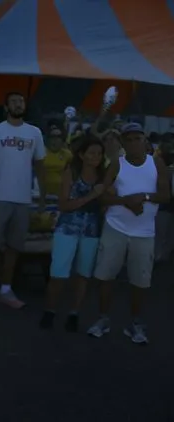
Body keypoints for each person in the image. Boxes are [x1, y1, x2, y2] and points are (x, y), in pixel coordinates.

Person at [86, 123, 170, 344]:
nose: (133, 143)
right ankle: (103, 319)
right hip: (115, 228)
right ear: (123, 143)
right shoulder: (116, 164)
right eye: (129, 139)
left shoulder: (156, 163)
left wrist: (143, 197)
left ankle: (135, 323)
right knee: (105, 276)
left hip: (144, 233)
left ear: (145, 141)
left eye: (137, 138)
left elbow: (165, 196)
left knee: (140, 281)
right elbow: (102, 197)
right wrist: (126, 201)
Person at [0, 92, 46, 310]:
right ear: (6, 107)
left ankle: (6, 289)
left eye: (21, 100)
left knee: (14, 248)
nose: (19, 104)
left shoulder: (34, 133)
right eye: (14, 101)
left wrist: (42, 196)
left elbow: (40, 166)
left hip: (23, 199)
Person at [39, 139, 106, 331]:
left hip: (91, 230)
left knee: (83, 274)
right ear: (82, 155)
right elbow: (64, 205)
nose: (96, 157)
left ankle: (74, 313)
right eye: (92, 153)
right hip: (68, 227)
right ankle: (49, 311)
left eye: (99, 154)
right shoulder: (72, 173)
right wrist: (91, 196)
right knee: (58, 273)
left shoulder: (103, 176)